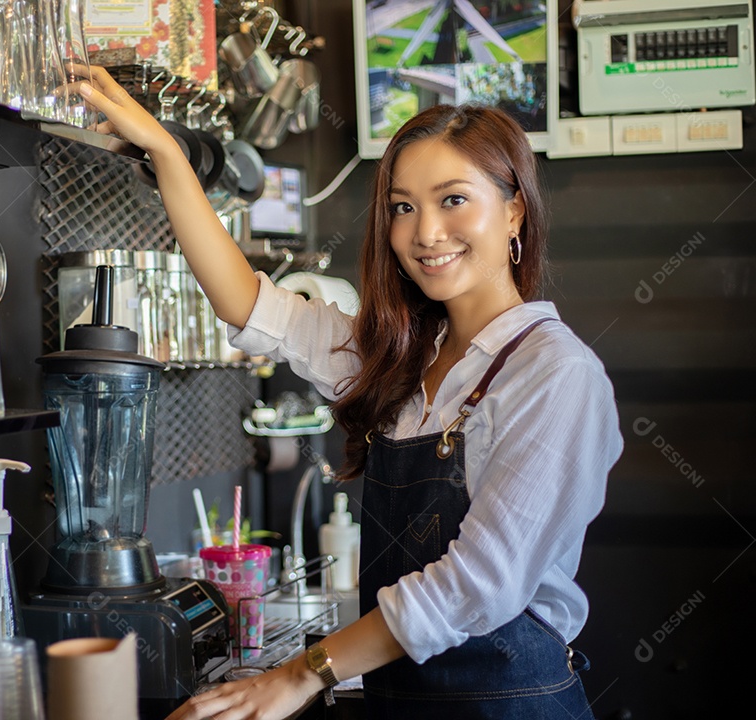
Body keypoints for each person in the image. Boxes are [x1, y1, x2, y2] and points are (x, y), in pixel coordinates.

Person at [77, 68, 624, 719]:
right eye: (403, 207)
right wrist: (169, 156)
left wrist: (301, 674)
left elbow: (478, 586)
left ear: (514, 211)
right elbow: (245, 303)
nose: (425, 232)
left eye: (453, 199)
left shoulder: (555, 373)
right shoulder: (395, 357)